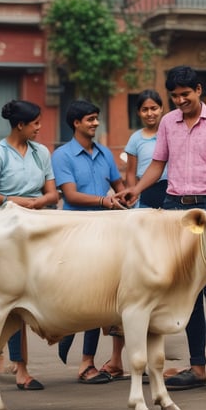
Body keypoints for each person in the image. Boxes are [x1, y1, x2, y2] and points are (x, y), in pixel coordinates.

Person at [116, 65, 206, 391]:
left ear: (199, 90)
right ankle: (197, 368)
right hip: (176, 211)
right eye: (174, 96)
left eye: (185, 95)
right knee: (188, 292)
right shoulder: (168, 123)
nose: (179, 101)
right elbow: (157, 164)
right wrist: (137, 189)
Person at [0, 99, 59, 390]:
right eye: (35, 123)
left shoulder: (41, 152)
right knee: (13, 298)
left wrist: (39, 202)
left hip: (38, 223)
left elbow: (51, 193)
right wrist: (18, 202)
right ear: (20, 125)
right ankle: (22, 369)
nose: (40, 128)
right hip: (5, 229)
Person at [51, 99, 127, 384]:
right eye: (91, 119)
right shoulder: (62, 156)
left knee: (100, 297)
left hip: (106, 233)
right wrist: (105, 201)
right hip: (75, 232)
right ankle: (66, 332)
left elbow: (120, 189)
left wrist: (128, 196)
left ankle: (87, 364)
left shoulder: (105, 153)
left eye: (96, 118)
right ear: (76, 123)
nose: (95, 123)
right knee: (77, 296)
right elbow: (70, 196)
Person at [125, 89, 167, 208]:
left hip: (170, 194)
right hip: (146, 193)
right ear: (138, 112)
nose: (149, 114)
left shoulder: (170, 134)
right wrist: (132, 194)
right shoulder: (135, 138)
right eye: (145, 109)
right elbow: (130, 172)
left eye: (154, 108)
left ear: (161, 108)